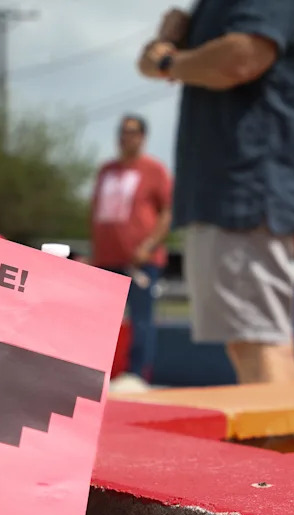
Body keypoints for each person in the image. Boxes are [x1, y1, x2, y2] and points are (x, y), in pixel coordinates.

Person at [136, 2, 294, 384]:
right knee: (247, 339)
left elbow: (241, 58)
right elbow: (147, 61)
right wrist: (169, 50)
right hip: (227, 190)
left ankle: (283, 444)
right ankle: (279, 441)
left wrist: (170, 61)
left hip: (247, 189)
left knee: (259, 339)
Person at [90, 114, 173, 384]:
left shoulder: (154, 170)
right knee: (100, 322)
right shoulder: (107, 170)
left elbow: (168, 212)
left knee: (142, 321)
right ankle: (97, 375)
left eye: (133, 132)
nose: (126, 137)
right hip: (105, 260)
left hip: (141, 262)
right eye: (123, 131)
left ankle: (137, 376)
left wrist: (149, 245)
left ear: (143, 137)